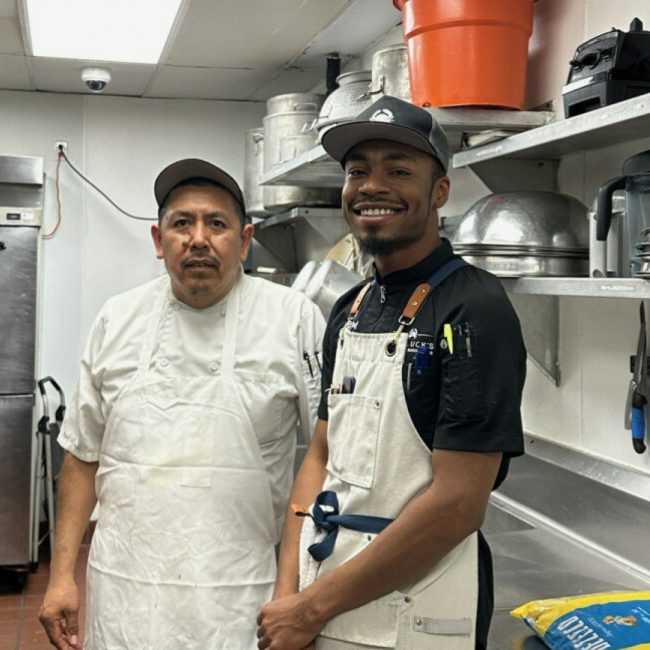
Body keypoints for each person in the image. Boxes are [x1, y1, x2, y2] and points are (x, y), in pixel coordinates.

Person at [256, 96, 527, 650]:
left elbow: (458, 505)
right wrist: (290, 591)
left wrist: (310, 608)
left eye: (398, 170)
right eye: (358, 171)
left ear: (440, 191)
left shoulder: (472, 308)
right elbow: (322, 455)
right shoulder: (350, 308)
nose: (372, 186)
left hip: (417, 609)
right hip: (325, 591)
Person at [39, 159, 326, 650]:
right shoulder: (117, 319)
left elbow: (326, 457)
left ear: (244, 240)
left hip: (238, 599)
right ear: (158, 240)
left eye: (217, 223)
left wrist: (294, 589)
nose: (198, 238)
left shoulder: (293, 319)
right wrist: (61, 575)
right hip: (126, 594)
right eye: (181, 223)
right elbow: (83, 456)